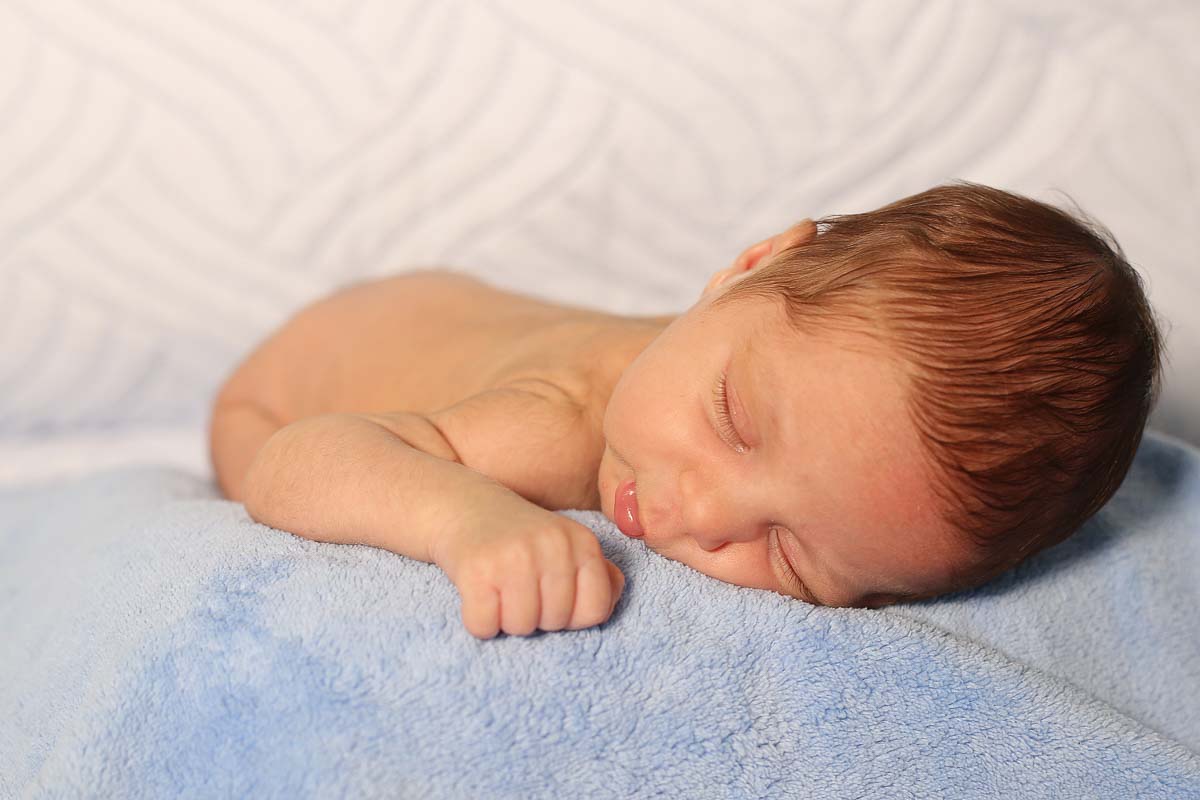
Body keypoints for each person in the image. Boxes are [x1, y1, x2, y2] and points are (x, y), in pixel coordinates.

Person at [209, 182, 1165, 639]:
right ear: (751, 268)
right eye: (731, 418)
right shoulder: (549, 428)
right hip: (294, 372)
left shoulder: (752, 361)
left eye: (792, 556)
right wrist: (465, 515)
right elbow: (294, 458)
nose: (704, 514)